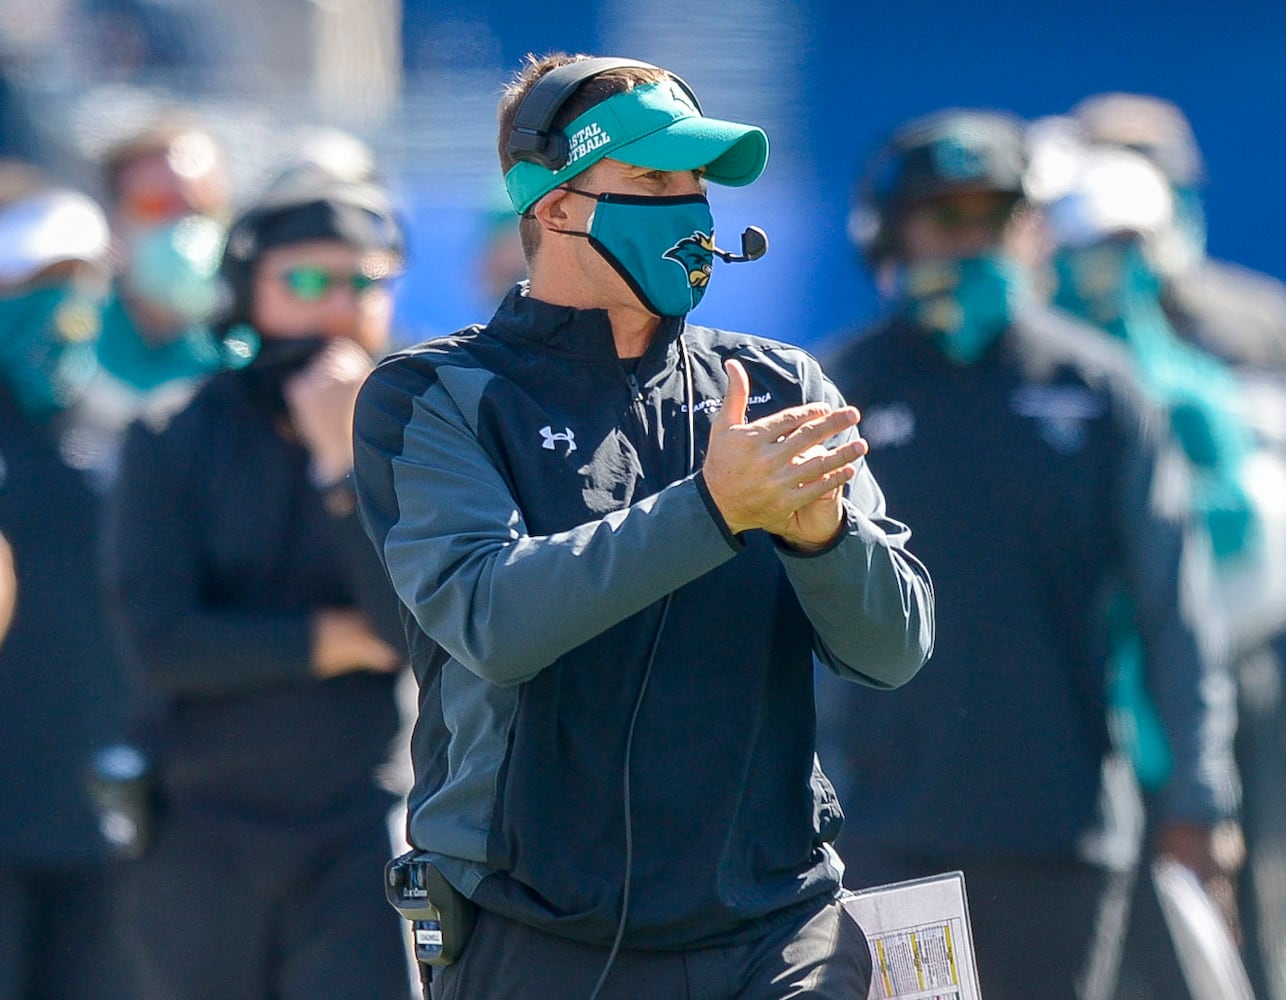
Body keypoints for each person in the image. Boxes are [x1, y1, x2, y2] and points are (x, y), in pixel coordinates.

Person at [351, 53, 935, 1000]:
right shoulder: (433, 394)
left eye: (697, 182)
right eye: (655, 180)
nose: (690, 207)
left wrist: (828, 538)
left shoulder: (781, 382)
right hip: (539, 927)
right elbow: (493, 621)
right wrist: (714, 509)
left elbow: (897, 647)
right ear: (552, 203)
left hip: (776, 920)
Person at [818, 108, 1241, 1000]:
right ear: (892, 232)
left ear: (1029, 228)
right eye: (945, 217)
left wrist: (1200, 795)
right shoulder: (839, 389)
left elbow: (1175, 608)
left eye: (994, 216)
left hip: (1065, 830)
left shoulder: (1101, 393)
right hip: (894, 833)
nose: (971, 241)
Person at [101, 171, 413, 1000]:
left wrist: (343, 467)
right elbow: (163, 643)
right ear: (248, 292)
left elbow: (412, 629)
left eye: (367, 282)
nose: (340, 308)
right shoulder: (170, 435)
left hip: (358, 829)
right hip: (203, 830)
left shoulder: (418, 435)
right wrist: (334, 639)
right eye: (308, 282)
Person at [0, 162, 137, 998]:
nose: (69, 303)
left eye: (85, 277)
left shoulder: (133, 434)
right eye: (43, 281)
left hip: (102, 815)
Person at [80, 114, 232, 484]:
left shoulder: (251, 353)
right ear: (116, 220)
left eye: (199, 210)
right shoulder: (65, 350)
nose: (181, 227)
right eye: (155, 208)